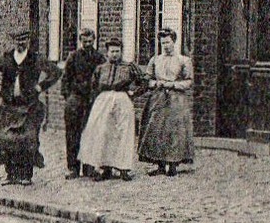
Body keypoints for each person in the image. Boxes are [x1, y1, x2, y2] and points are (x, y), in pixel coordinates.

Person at [0, 28, 61, 185]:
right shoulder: (7, 58)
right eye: (18, 41)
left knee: (27, 139)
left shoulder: (35, 59)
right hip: (10, 105)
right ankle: (11, 174)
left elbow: (55, 72)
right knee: (8, 139)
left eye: (24, 40)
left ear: (28, 42)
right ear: (14, 42)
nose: (21, 43)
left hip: (29, 105)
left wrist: (40, 87)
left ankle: (26, 175)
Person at [79, 36, 143, 180]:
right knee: (103, 132)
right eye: (112, 51)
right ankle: (104, 167)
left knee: (123, 133)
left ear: (121, 51)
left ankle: (123, 168)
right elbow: (93, 86)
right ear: (107, 53)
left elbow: (143, 81)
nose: (115, 54)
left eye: (117, 51)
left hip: (122, 99)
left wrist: (134, 92)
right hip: (103, 101)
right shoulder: (101, 68)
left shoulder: (129, 67)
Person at [139, 29, 195, 175]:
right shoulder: (155, 60)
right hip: (158, 98)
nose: (165, 46)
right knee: (157, 130)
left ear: (174, 41)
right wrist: (154, 83)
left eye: (168, 42)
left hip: (176, 99)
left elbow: (189, 82)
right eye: (163, 43)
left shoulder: (184, 60)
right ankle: (160, 165)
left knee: (175, 130)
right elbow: (147, 79)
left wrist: (173, 85)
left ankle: (174, 164)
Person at [60, 28, 105, 179]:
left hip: (92, 99)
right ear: (80, 41)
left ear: (94, 41)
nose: (87, 44)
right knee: (73, 133)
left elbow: (102, 79)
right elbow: (65, 78)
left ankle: (88, 167)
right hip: (76, 98)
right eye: (84, 41)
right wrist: (69, 97)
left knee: (91, 133)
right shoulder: (73, 57)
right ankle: (73, 167)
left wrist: (97, 96)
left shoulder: (99, 58)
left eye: (90, 41)